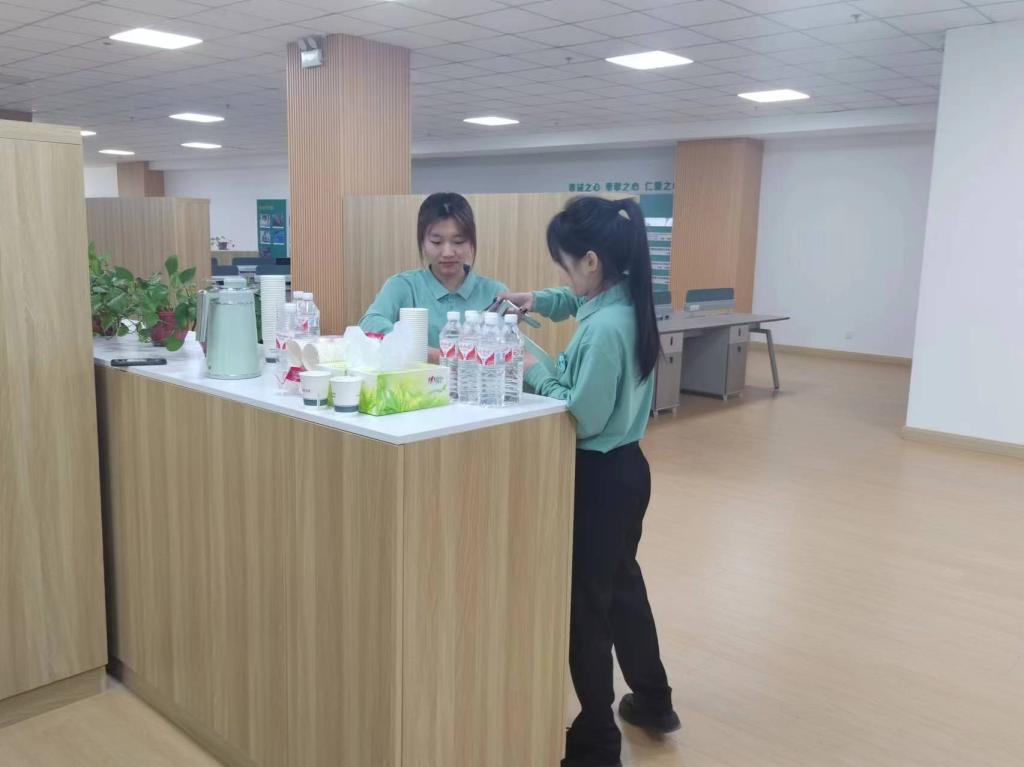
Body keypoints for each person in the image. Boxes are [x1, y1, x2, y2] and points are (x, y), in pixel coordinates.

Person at [501, 197, 679, 767]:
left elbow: (582, 414)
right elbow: (576, 301)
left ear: (592, 262)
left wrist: (530, 367)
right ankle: (653, 700)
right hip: (629, 471)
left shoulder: (604, 331)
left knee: (586, 608)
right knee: (622, 588)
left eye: (565, 266)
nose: (564, 277)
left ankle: (597, 738)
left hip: (597, 479)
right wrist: (537, 301)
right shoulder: (626, 302)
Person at [359, 192, 507, 359]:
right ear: (422, 242)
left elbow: (510, 351)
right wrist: (423, 350)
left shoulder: (495, 293)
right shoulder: (403, 286)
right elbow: (369, 323)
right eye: (436, 242)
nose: (448, 252)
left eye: (458, 242)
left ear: (471, 242)